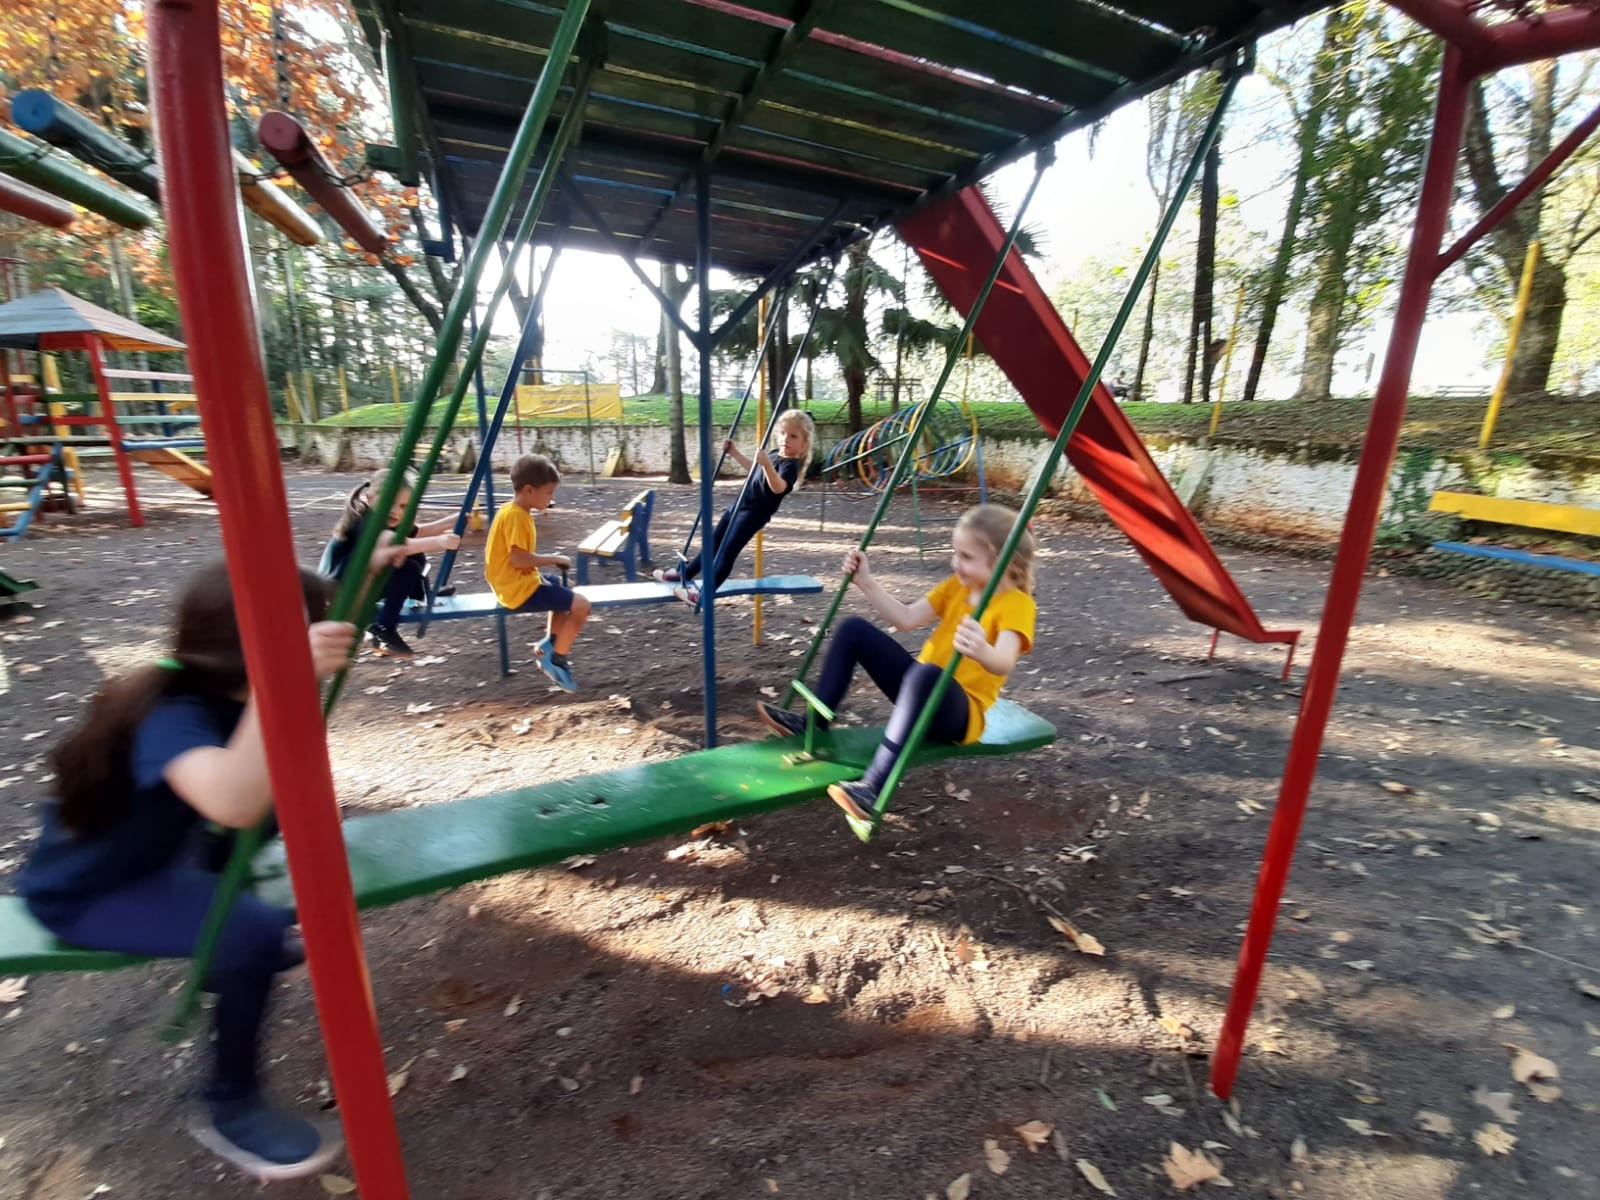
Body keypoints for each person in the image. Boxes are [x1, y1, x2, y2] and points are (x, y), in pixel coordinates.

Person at [18, 562, 357, 1180]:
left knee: (269, 847)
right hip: (85, 892)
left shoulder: (226, 695)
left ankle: (237, 954)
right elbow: (231, 802)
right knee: (251, 932)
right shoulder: (171, 713)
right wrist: (286, 682)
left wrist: (378, 556)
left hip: (157, 858)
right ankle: (229, 1104)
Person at [757, 504, 1036, 824]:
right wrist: (866, 582)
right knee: (853, 630)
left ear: (1003, 561)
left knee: (926, 674)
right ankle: (813, 722)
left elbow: (1003, 662)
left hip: (959, 715)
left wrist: (982, 650)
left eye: (966, 557)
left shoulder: (1017, 604)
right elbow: (905, 618)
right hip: (919, 689)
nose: (955, 563)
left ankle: (873, 788)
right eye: (955, 553)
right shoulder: (957, 587)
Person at [654, 409, 814, 604]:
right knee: (712, 543)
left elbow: (779, 487)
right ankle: (685, 574)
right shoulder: (774, 454)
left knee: (727, 551)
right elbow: (754, 470)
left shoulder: (790, 465)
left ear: (804, 444)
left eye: (793, 436)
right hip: (739, 505)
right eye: (782, 433)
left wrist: (766, 465)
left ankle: (703, 596)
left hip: (753, 514)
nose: (785, 439)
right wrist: (735, 453)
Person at [322, 466, 461, 659]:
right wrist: (440, 542)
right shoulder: (365, 521)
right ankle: (384, 629)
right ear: (370, 498)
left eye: (403, 506)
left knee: (415, 556)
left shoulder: (383, 519)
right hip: (343, 590)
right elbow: (399, 544)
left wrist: (451, 521)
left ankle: (420, 593)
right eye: (389, 503)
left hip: (361, 581)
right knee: (408, 566)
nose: (396, 511)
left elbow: (418, 532)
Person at [485, 453, 591, 692]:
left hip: (513, 583)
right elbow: (519, 560)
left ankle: (549, 644)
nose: (551, 499)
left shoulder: (511, 510)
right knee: (582, 606)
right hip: (517, 588)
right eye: (548, 493)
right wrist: (554, 558)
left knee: (564, 590)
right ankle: (556, 660)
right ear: (529, 490)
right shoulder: (516, 516)